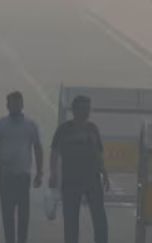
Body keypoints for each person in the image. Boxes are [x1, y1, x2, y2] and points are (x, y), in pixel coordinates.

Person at [50, 95, 110, 243]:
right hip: (71, 181)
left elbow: (98, 153)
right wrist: (53, 174)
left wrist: (105, 173)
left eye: (87, 109)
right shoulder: (64, 129)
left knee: (100, 221)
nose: (86, 112)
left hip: (92, 180)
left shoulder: (92, 129)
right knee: (71, 223)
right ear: (74, 110)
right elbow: (55, 152)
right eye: (83, 108)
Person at [0, 91, 44, 243]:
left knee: (24, 214)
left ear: (22, 104)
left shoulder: (30, 125)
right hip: (6, 175)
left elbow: (38, 148)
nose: (15, 106)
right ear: (7, 105)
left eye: (18, 103)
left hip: (23, 174)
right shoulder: (0, 125)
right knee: (8, 213)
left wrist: (39, 172)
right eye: (12, 103)